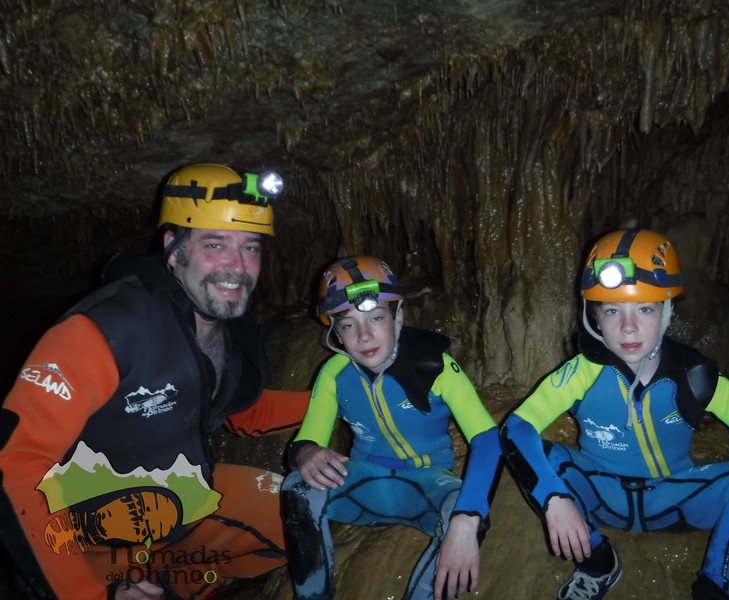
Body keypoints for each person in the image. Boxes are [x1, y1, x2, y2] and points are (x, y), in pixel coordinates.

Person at [0, 163, 311, 599]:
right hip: (83, 543)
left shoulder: (224, 330)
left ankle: (182, 585)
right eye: (215, 244)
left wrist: (335, 397)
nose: (238, 266)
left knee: (308, 511)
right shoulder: (109, 329)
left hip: (180, 510)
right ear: (173, 249)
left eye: (251, 247)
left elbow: (242, 410)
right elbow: (14, 463)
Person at [500, 228, 729, 600]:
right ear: (595, 317)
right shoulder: (582, 372)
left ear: (667, 311)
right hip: (601, 492)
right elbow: (517, 427)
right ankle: (598, 563)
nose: (628, 327)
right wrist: (554, 499)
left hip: (673, 499)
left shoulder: (694, 376)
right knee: (539, 457)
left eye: (644, 308)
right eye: (613, 310)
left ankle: (717, 590)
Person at [280, 255, 502, 600]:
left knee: (469, 513)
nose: (364, 335)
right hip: (364, 483)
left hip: (429, 485)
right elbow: (305, 440)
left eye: (376, 318)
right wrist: (306, 452)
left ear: (398, 316)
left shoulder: (435, 366)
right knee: (297, 487)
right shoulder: (334, 374)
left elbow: (488, 440)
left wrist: (466, 519)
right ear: (335, 332)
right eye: (348, 324)